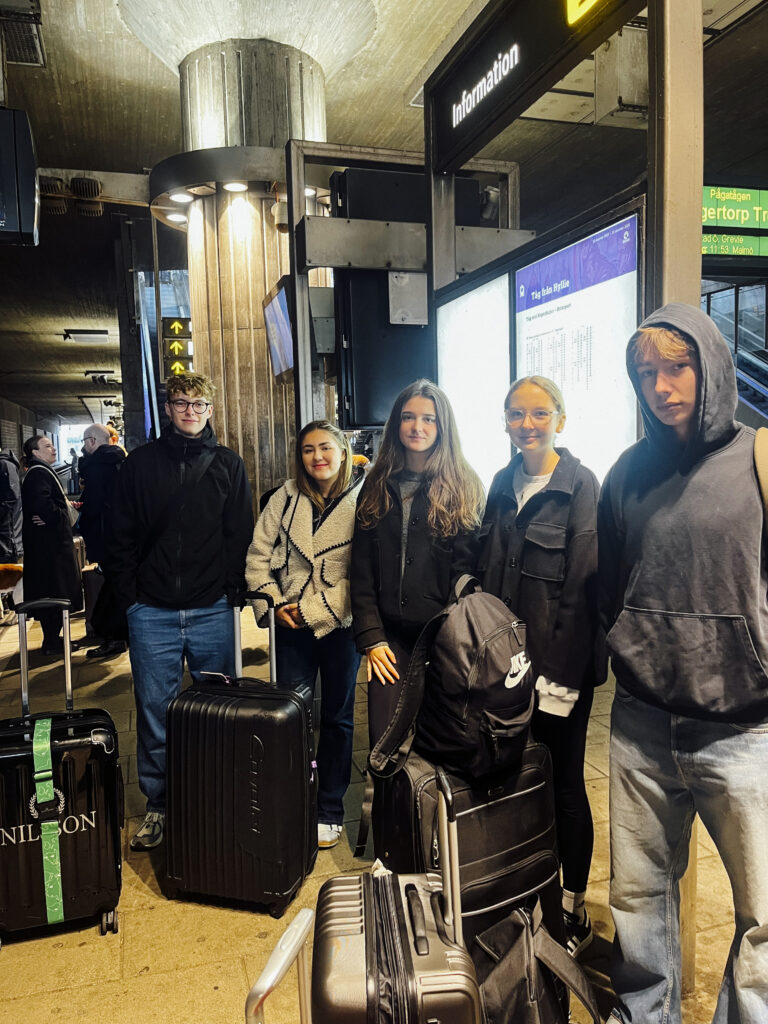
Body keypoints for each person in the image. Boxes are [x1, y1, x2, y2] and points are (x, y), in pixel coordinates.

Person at [598, 303, 768, 1023]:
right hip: (641, 725)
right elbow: (610, 583)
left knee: (762, 914)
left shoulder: (758, 456)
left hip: (743, 729)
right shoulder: (627, 472)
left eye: (677, 366)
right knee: (637, 906)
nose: (662, 386)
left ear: (710, 364)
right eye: (646, 373)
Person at [473, 376, 599, 957]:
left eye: (540, 413)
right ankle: (525, 888)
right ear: (505, 421)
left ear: (560, 420)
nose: (528, 424)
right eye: (517, 414)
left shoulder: (580, 487)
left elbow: (582, 591)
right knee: (513, 780)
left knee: (566, 785)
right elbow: (488, 567)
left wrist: (562, 680)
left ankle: (573, 905)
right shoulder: (502, 483)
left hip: (557, 674)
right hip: (506, 670)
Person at [107, 373, 254, 851]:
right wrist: (131, 597)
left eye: (199, 403)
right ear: (167, 408)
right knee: (155, 712)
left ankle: (215, 797)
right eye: (181, 403)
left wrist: (231, 590)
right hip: (151, 611)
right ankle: (161, 805)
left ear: (211, 409)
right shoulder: (139, 465)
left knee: (219, 708)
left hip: (212, 606)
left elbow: (240, 534)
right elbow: (119, 535)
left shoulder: (229, 465)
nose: (190, 411)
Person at [246, 420, 363, 850]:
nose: (317, 457)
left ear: (343, 450)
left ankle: (329, 807)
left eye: (326, 448)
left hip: (339, 627)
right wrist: (273, 606)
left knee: (337, 718)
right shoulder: (284, 497)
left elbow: (366, 574)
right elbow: (257, 556)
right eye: (309, 450)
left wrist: (313, 608)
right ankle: (292, 800)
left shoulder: (364, 499)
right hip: (288, 627)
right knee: (291, 718)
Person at [351, 379, 484, 747]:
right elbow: (360, 573)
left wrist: (454, 643)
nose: (417, 427)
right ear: (396, 424)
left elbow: (468, 576)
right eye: (408, 417)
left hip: (445, 639)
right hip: (390, 641)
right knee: (385, 745)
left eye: (428, 419)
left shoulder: (465, 486)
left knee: (439, 745)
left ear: (443, 427)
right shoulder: (376, 483)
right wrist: (372, 639)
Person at [20, 435, 83, 654]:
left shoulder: (39, 471)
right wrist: (62, 513)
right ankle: (52, 642)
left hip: (49, 545)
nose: (53, 449)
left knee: (54, 590)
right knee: (54, 590)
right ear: (35, 452)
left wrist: (62, 507)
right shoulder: (38, 473)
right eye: (47, 446)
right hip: (50, 548)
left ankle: (53, 640)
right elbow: (42, 506)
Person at [78, 424, 126, 658]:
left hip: (105, 536)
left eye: (84, 442)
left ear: (92, 441)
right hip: (121, 534)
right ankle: (116, 635)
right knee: (116, 585)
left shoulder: (97, 466)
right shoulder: (122, 461)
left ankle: (114, 637)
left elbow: (94, 507)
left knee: (113, 587)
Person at [0, 447, 23, 563]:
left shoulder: (4, 465)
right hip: (6, 542)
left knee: (8, 579)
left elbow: (9, 502)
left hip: (7, 544)